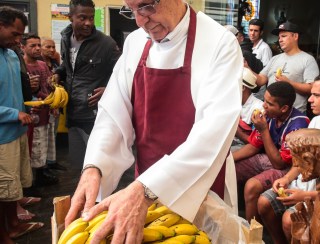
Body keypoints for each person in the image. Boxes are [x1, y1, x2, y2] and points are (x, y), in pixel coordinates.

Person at [64, 0, 243, 243]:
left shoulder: (219, 43)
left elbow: (212, 134)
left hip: (203, 182)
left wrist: (146, 189)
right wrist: (94, 166)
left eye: (147, 6)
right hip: (145, 179)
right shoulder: (135, 42)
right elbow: (113, 116)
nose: (140, 21)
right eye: (132, 10)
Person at [54, 0, 121, 171]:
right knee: (78, 166)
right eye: (82, 18)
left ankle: (102, 198)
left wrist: (109, 90)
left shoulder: (106, 44)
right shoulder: (65, 39)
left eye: (91, 18)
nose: (88, 23)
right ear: (70, 17)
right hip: (73, 113)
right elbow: (68, 67)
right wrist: (58, 73)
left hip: (95, 116)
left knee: (99, 167)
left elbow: (124, 74)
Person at [233, 82, 310, 223]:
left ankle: (252, 233)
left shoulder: (298, 124)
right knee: (229, 170)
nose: (264, 105)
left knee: (252, 186)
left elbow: (279, 164)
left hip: (288, 168)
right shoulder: (269, 115)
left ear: (284, 108)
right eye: (265, 100)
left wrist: (263, 130)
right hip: (267, 158)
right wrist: (228, 159)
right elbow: (254, 146)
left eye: (269, 103)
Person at [257, 78, 320, 244]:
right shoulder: (316, 121)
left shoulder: (300, 122)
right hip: (301, 187)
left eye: (316, 95)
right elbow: (302, 163)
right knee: (264, 202)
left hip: (313, 195)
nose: (309, 99)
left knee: (289, 220)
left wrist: (305, 196)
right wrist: (285, 179)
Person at [0, 6, 43, 244]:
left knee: (12, 189)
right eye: (15, 34)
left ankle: (14, 224)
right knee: (1, 190)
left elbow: (15, 91)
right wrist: (12, 113)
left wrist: (30, 104)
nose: (19, 40)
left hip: (16, 132)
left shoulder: (10, 54)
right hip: (2, 137)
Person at [254, 20, 319, 114]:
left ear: (295, 36)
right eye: (279, 37)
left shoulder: (308, 59)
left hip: (294, 115)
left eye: (284, 36)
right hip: (270, 113)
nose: (280, 39)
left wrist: (288, 83)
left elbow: (312, 88)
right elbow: (260, 80)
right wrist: (245, 68)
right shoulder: (274, 59)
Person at [21, 33, 59, 186]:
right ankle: (31, 181)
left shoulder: (43, 65)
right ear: (23, 47)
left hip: (46, 112)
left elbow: (48, 85)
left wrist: (54, 102)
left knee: (45, 144)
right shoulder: (22, 66)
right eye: (33, 46)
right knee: (34, 146)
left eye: (38, 45)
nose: (37, 48)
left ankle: (42, 174)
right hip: (32, 115)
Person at [40, 36, 66, 171]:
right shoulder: (37, 63)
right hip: (43, 106)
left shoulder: (56, 63)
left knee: (52, 135)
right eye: (47, 47)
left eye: (53, 47)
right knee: (42, 137)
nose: (51, 49)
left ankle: (51, 161)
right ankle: (42, 165)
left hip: (55, 106)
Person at [231, 67, 263, 151]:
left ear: (243, 87)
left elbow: (257, 144)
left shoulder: (258, 108)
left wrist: (237, 132)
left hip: (244, 147)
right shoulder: (233, 102)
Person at [248, 18, 273, 101]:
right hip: (249, 89)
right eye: (250, 30)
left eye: (255, 31)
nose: (252, 33)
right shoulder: (249, 46)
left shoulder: (265, 48)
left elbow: (268, 71)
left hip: (259, 93)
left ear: (261, 32)